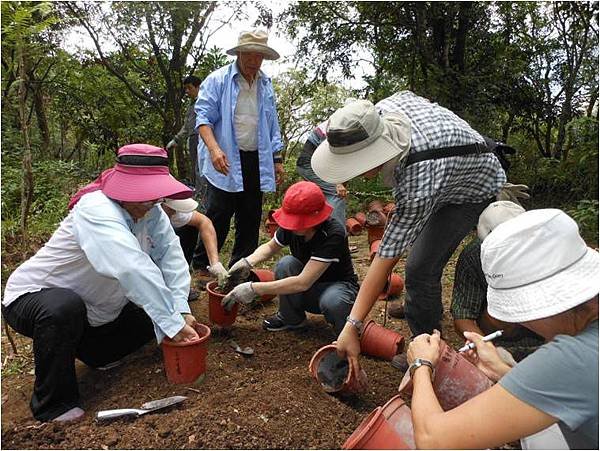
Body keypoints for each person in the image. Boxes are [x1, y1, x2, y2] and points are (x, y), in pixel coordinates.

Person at [2, 144, 201, 423]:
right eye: (145, 198)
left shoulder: (152, 212)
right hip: (34, 298)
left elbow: (171, 257)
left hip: (94, 309)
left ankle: (98, 352)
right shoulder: (95, 208)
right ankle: (53, 405)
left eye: (155, 198)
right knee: (64, 308)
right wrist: (171, 321)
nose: (151, 204)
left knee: (152, 319)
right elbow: (130, 265)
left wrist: (179, 309)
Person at [310, 93, 508, 361]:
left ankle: (428, 349)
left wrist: (352, 325)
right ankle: (419, 304)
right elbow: (413, 97)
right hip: (446, 172)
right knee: (418, 252)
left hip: (470, 191)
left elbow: (386, 257)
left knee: (420, 269)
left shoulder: (419, 179)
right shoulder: (377, 114)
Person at [406, 209, 598, 449]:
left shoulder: (571, 358)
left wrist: (420, 365)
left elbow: (432, 440)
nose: (523, 323)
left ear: (539, 305)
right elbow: (569, 391)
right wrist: (501, 370)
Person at [191, 29, 284, 282]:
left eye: (259, 56)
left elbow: (271, 122)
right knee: (219, 211)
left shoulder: (265, 84)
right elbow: (203, 119)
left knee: (250, 215)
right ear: (239, 53)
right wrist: (214, 149)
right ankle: (203, 266)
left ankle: (240, 269)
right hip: (224, 155)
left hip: (257, 157)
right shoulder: (218, 80)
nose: (254, 61)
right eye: (250, 55)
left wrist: (276, 159)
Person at [221, 181, 359, 335]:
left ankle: (346, 335)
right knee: (286, 263)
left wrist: (253, 289)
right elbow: (270, 247)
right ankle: (292, 320)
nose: (293, 226)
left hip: (337, 287)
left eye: (299, 221)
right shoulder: (291, 228)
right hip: (307, 289)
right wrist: (247, 262)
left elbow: (303, 282)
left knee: (334, 301)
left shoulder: (333, 233)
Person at [451, 201, 543, 363]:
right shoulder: (474, 256)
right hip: (497, 338)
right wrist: (486, 350)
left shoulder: (547, 253)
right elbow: (463, 316)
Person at [162, 198, 228, 300]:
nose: (174, 212)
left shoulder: (171, 210)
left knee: (189, 227)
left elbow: (204, 222)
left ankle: (178, 285)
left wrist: (215, 263)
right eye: (172, 209)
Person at [297, 120, 348, 228]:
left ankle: (322, 233)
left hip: (316, 164)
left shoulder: (343, 124)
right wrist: (337, 183)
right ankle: (337, 238)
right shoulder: (336, 128)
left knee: (325, 196)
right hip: (308, 164)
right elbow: (329, 156)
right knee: (337, 193)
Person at [166, 75, 207, 204]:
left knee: (201, 169)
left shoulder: (206, 102)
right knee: (196, 169)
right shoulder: (192, 105)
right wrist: (176, 140)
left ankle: (202, 199)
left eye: (190, 88)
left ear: (198, 87)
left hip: (203, 138)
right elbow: (187, 126)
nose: (187, 91)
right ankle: (199, 196)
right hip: (193, 138)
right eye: (186, 89)